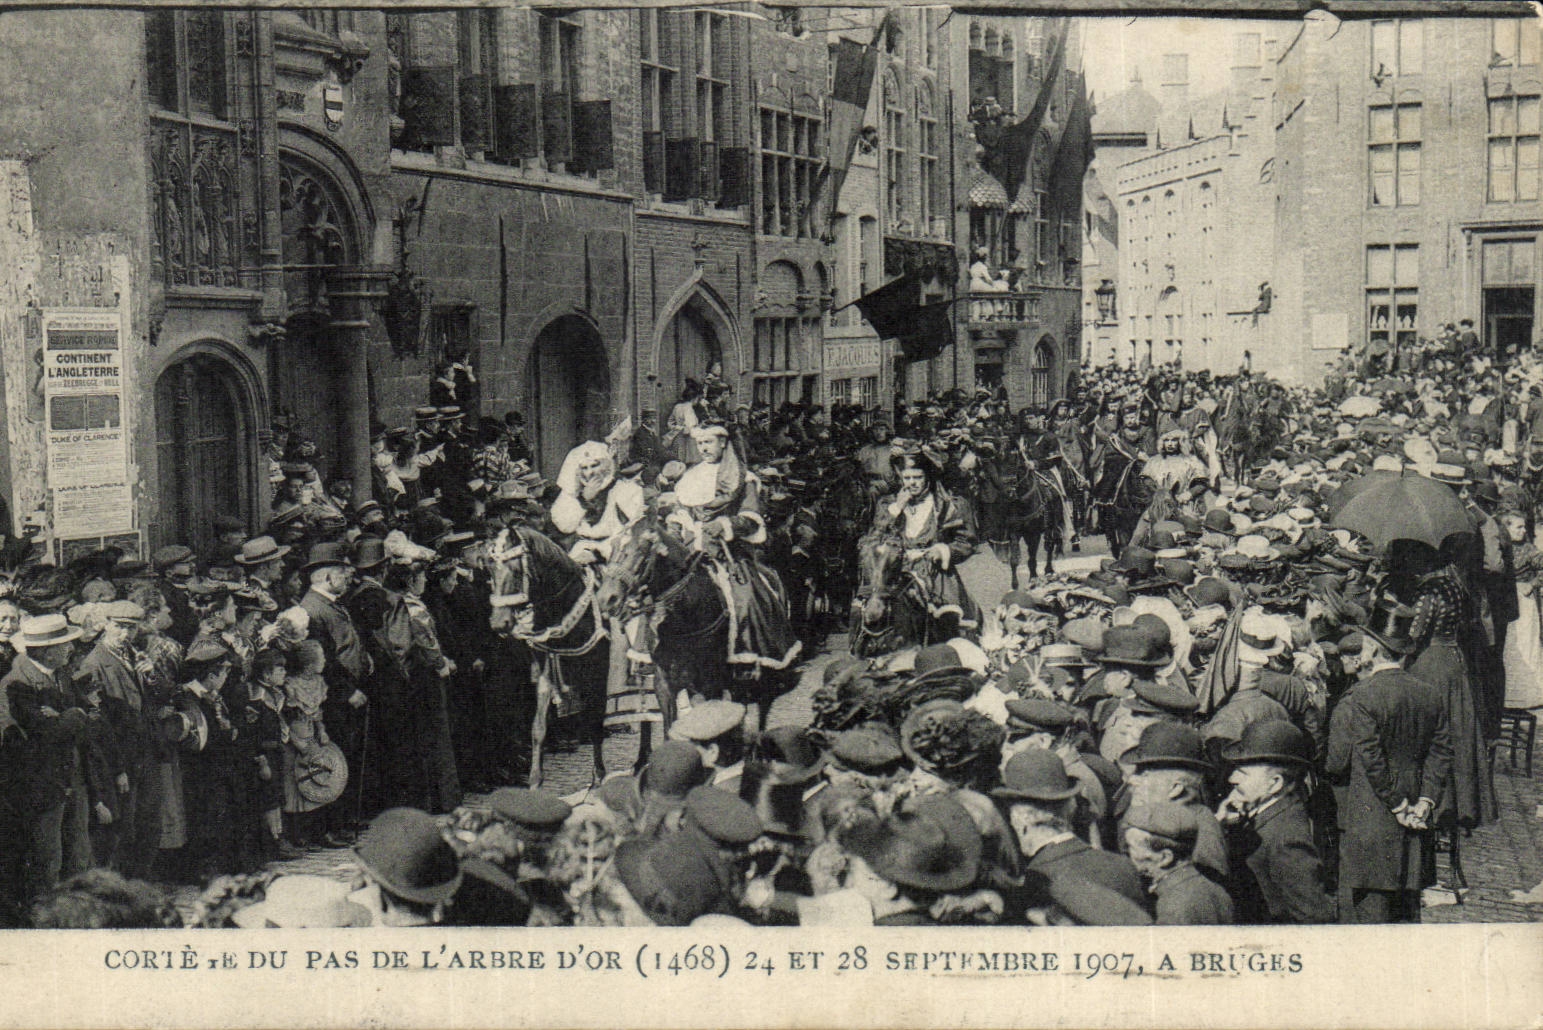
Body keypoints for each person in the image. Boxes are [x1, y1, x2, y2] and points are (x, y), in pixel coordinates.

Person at [1326, 604, 1452, 923]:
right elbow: (1441, 753)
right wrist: (1424, 801)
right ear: (1405, 654)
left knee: (1367, 914)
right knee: (1406, 912)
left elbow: (1370, 757)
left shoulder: (1363, 695)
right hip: (1416, 822)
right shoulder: (1429, 694)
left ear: (1372, 650)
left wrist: (1397, 804)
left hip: (1373, 815)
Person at [3, 615, 91, 902]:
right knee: (46, 861)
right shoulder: (16, 684)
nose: (71, 649)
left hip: (69, 777)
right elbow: (42, 734)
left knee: (77, 855)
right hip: (41, 785)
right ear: (45, 650)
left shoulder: (60, 675)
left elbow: (89, 717)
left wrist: (70, 717)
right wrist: (75, 716)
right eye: (65, 644)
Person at [1217, 720, 1336, 924]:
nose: (1232, 779)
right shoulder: (1263, 814)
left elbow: (1313, 916)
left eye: (1243, 773)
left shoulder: (1286, 839)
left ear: (1275, 784)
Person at [1123, 802, 1233, 925]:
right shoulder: (1215, 889)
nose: (1126, 853)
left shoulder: (1172, 909)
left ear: (1165, 858)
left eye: (1130, 847)